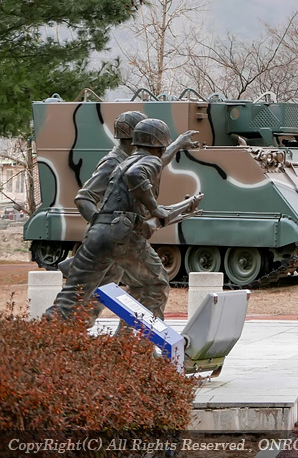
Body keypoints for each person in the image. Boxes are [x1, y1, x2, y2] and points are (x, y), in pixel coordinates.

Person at [46, 118, 194, 323]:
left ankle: (52, 334)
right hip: (118, 237)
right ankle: (138, 340)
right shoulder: (115, 161)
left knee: (77, 298)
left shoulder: (128, 160)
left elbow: (155, 163)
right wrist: (110, 224)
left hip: (107, 237)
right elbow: (84, 197)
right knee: (153, 285)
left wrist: (177, 144)